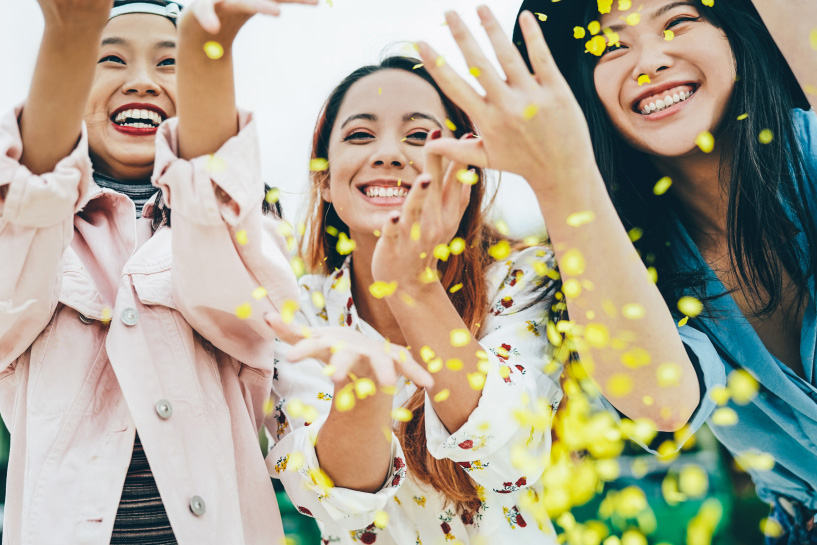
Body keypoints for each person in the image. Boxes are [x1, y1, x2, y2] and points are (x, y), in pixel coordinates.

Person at [416, 1, 816, 542]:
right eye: (609, 45)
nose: (650, 60)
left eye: (678, 22)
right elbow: (663, 402)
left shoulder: (808, 147)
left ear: (735, 39)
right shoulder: (609, 260)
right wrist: (559, 175)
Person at [0, 0, 314, 542]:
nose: (143, 81)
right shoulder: (34, 232)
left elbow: (223, 271)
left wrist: (211, 52)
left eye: (171, 63)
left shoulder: (249, 236)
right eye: (111, 59)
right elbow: (29, 205)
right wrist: (68, 37)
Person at [264, 56, 564, 544]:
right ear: (323, 178)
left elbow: (514, 457)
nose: (388, 154)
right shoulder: (299, 310)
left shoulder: (521, 278)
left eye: (420, 136)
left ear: (463, 169)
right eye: (360, 136)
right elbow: (329, 503)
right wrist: (362, 387)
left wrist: (412, 284)